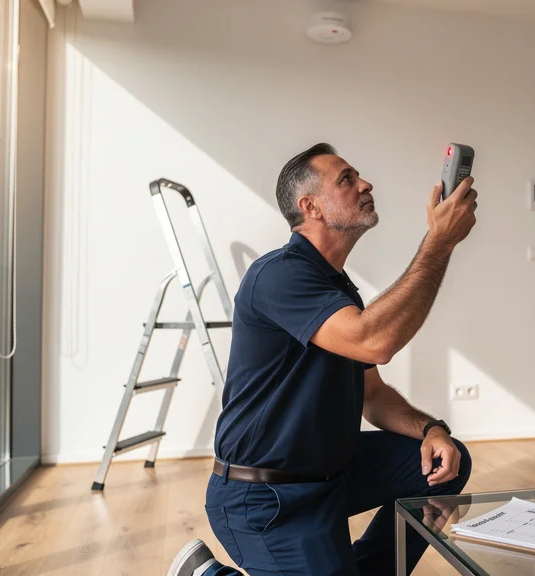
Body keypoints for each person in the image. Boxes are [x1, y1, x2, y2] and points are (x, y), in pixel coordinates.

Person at [167, 143, 479, 576]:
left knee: (443, 464)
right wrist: (439, 242)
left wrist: (430, 429)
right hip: (265, 498)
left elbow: (373, 394)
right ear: (309, 206)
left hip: (331, 475)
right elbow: (376, 342)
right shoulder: (279, 274)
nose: (365, 184)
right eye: (347, 179)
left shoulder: (338, 291)